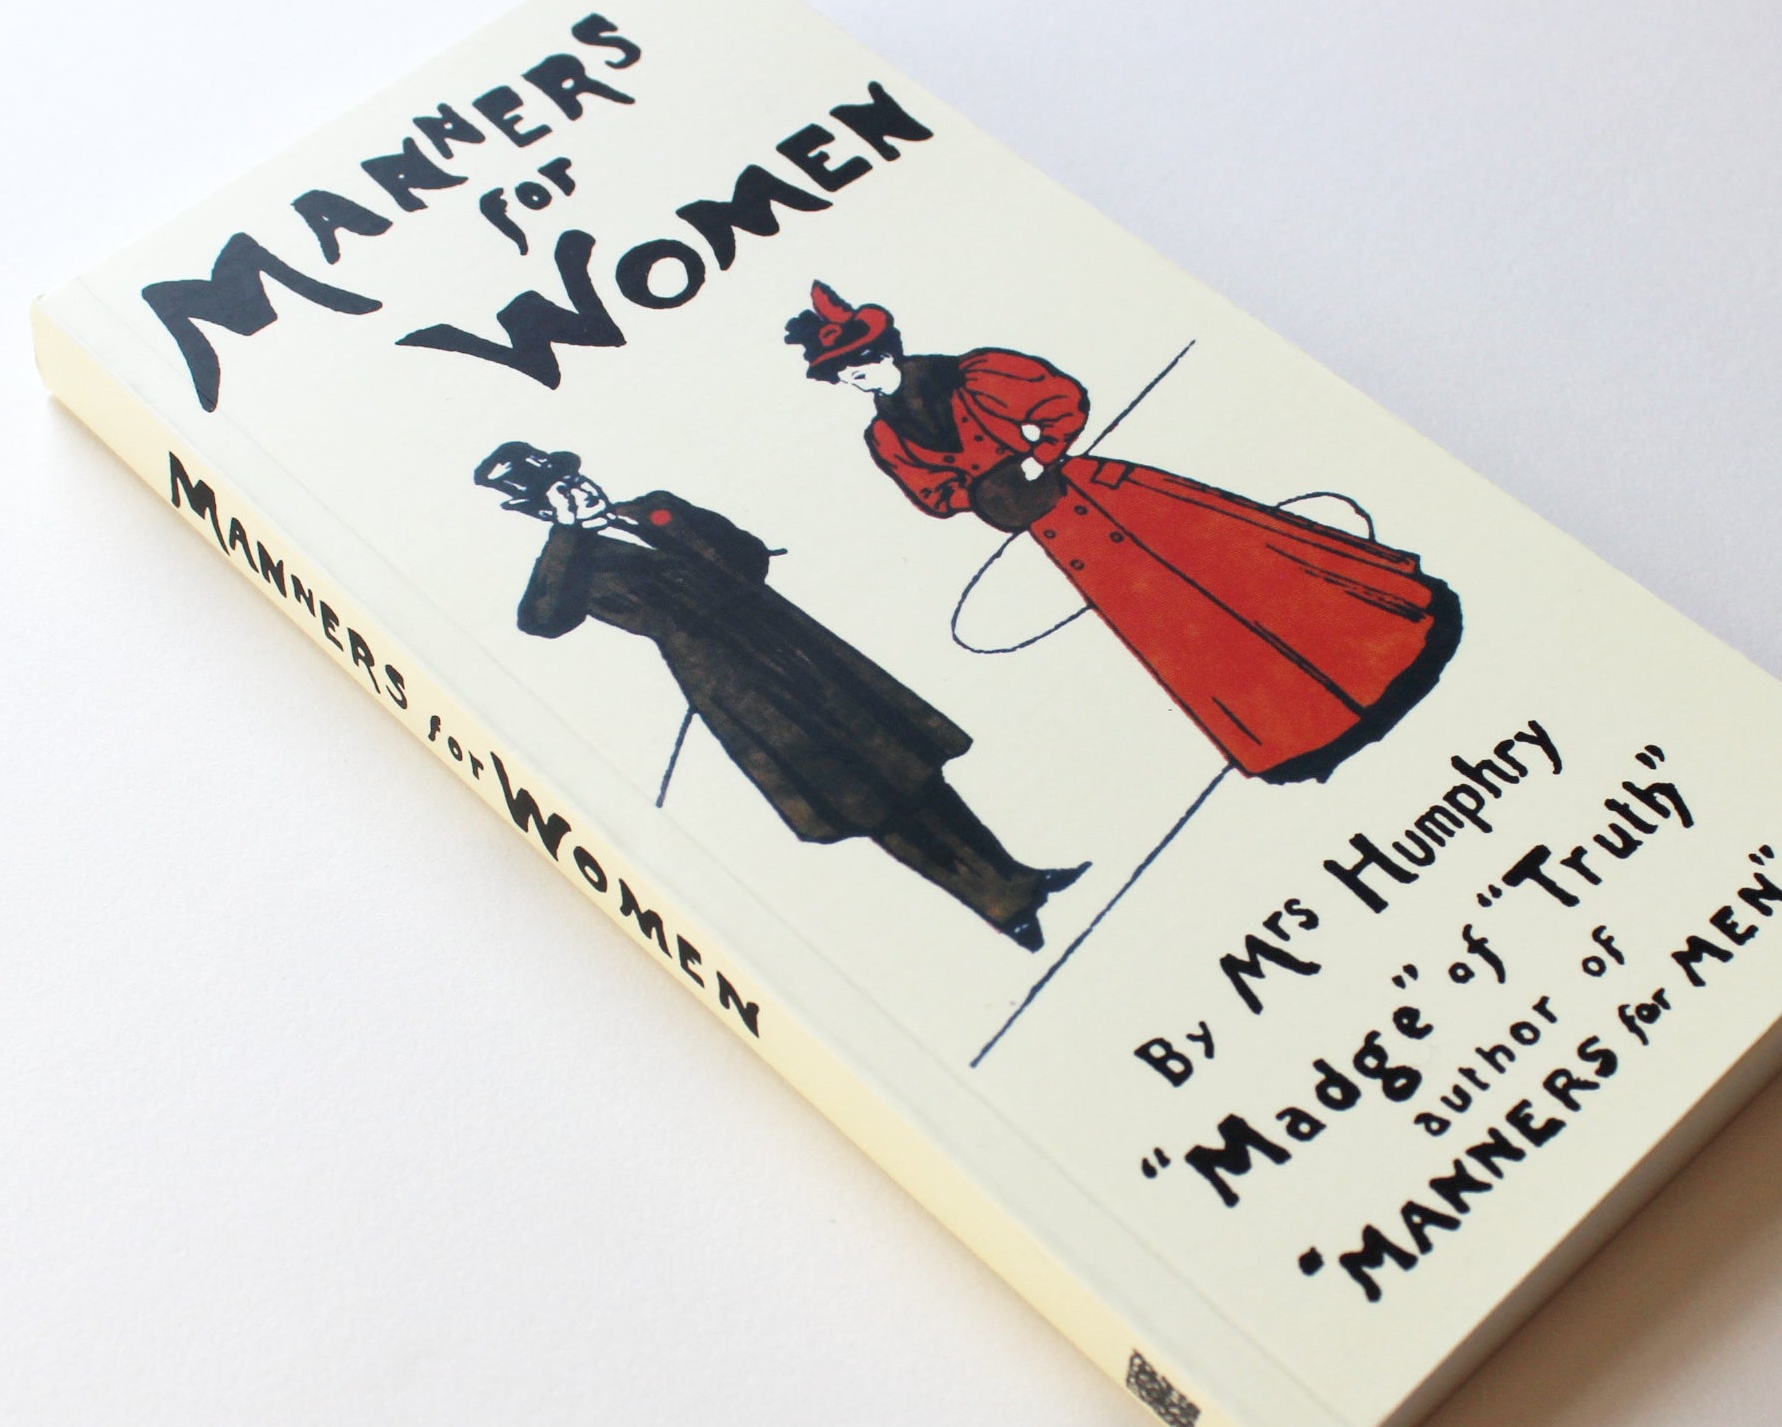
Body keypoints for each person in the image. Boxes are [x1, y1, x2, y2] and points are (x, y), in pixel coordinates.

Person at [784, 283, 1462, 784]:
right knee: (1177, 627)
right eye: (844, 376)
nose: (856, 380)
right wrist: (983, 495)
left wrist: (1038, 454)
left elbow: (1062, 400)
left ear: (885, 349)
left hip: (1107, 498)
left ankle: (1387, 650)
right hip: (1060, 536)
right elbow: (930, 495)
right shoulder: (885, 434)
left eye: (861, 365)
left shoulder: (974, 371)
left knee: (1237, 568)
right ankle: (1301, 730)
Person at [474, 442, 1085, 949]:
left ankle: (1017, 876)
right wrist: (567, 537)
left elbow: (744, 553)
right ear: (545, 512)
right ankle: (1000, 906)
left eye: (575, 478)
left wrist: (689, 535)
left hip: (800, 649)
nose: (581, 491)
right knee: (870, 800)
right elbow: (541, 621)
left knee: (911, 769)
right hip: (744, 687)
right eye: (562, 493)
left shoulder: (655, 510)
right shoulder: (575, 564)